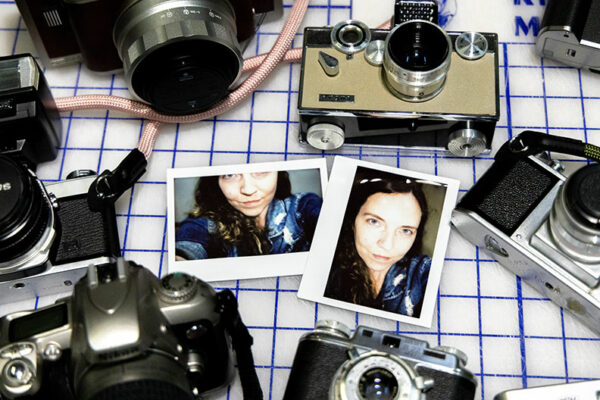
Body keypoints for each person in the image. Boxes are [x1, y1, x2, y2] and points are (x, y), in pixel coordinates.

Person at [324, 172, 431, 318]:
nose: (387, 245)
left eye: (405, 231)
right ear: (353, 221)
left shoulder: (422, 272)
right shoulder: (324, 266)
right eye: (374, 222)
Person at [175, 171, 322, 260]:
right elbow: (188, 248)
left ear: (278, 173)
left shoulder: (303, 207)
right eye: (230, 174)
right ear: (216, 182)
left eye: (261, 171)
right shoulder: (206, 225)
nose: (248, 189)